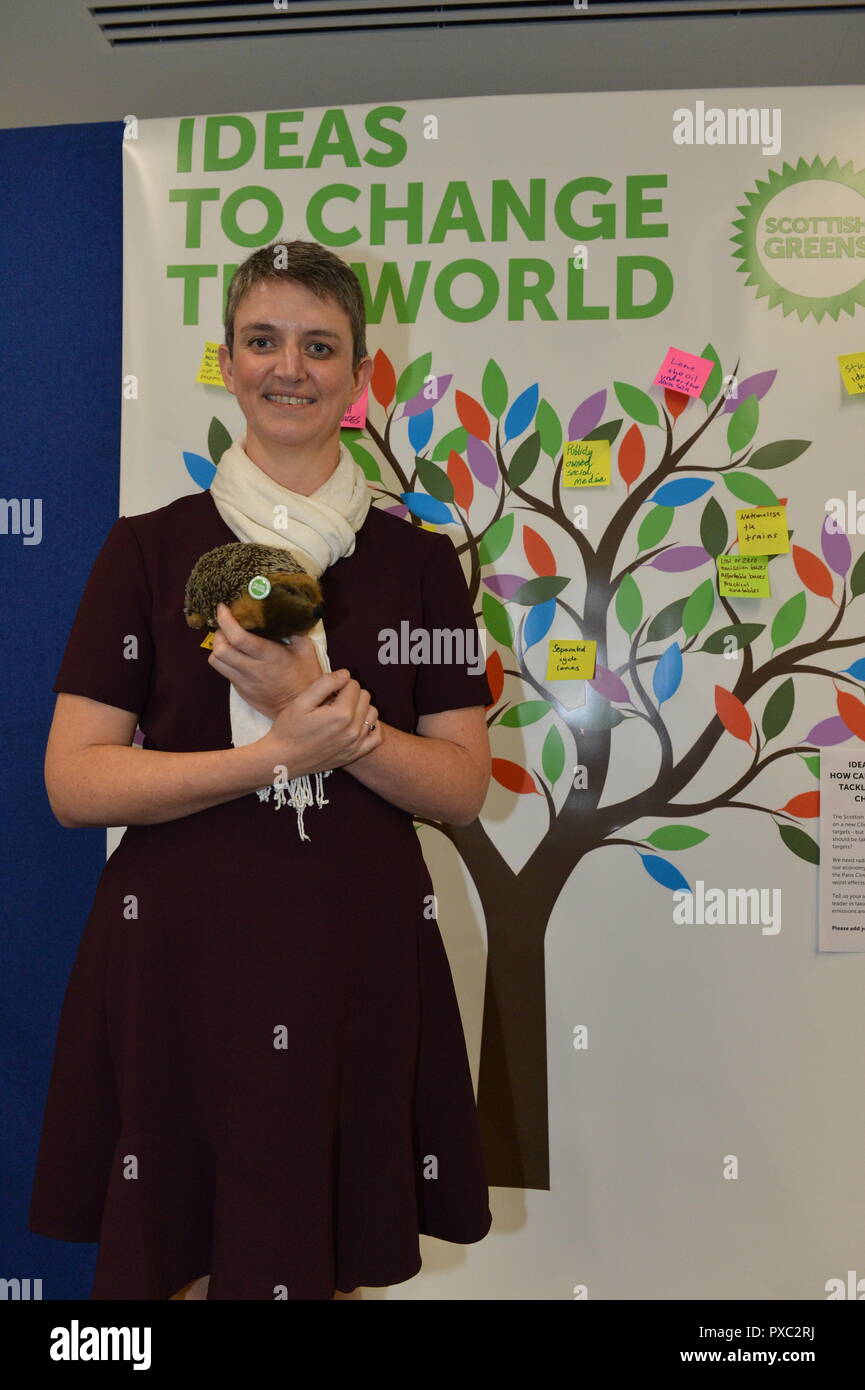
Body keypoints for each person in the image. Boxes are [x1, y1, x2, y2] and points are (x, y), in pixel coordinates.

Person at [28, 238, 494, 1300]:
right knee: (177, 1258)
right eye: (263, 340)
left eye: (319, 345)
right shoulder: (145, 549)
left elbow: (463, 787)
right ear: (227, 364)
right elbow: (74, 783)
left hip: (355, 958)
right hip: (178, 958)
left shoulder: (420, 563)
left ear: (361, 376)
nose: (290, 366)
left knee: (327, 1257)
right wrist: (275, 753)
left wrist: (333, 723)